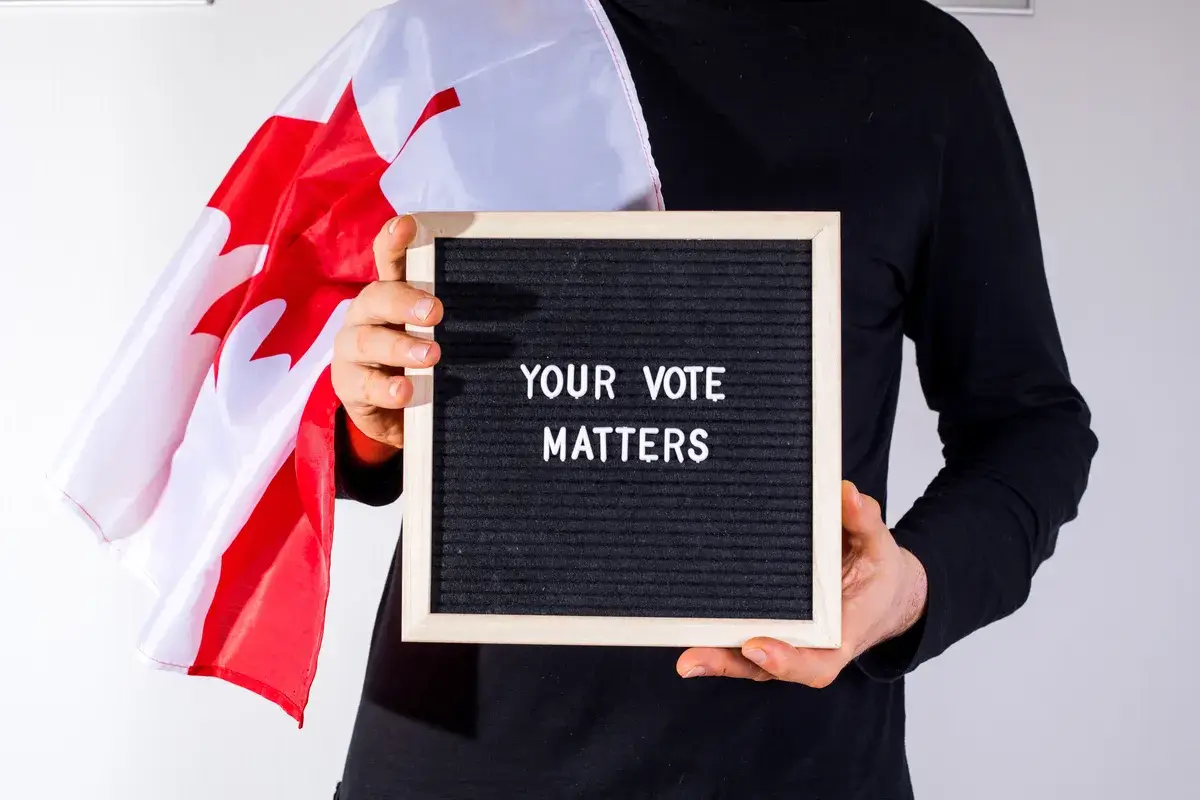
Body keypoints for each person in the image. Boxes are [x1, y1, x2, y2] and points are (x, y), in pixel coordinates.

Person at [327, 1, 1098, 797]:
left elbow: (1031, 427)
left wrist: (911, 586)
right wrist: (369, 413)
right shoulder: (451, 36)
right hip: (453, 758)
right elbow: (309, 386)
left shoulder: (925, 72)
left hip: (790, 761)